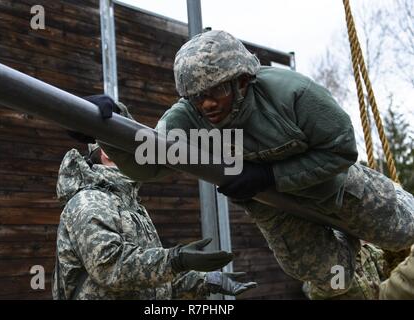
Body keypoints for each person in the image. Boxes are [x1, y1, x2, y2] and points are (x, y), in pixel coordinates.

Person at [89, 30, 414, 298]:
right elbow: (149, 163)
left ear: (241, 81)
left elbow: (341, 150)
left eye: (215, 90)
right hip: (278, 212)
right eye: (196, 95)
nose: (207, 103)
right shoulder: (187, 119)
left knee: (404, 232)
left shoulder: (292, 95)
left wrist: (270, 175)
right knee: (332, 280)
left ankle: (374, 253)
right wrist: (109, 128)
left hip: (336, 189)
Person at [52, 137, 257, 299]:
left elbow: (151, 280)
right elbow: (109, 268)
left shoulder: (130, 204)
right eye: (134, 150)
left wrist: (208, 281)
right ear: (108, 152)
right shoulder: (90, 200)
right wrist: (177, 260)